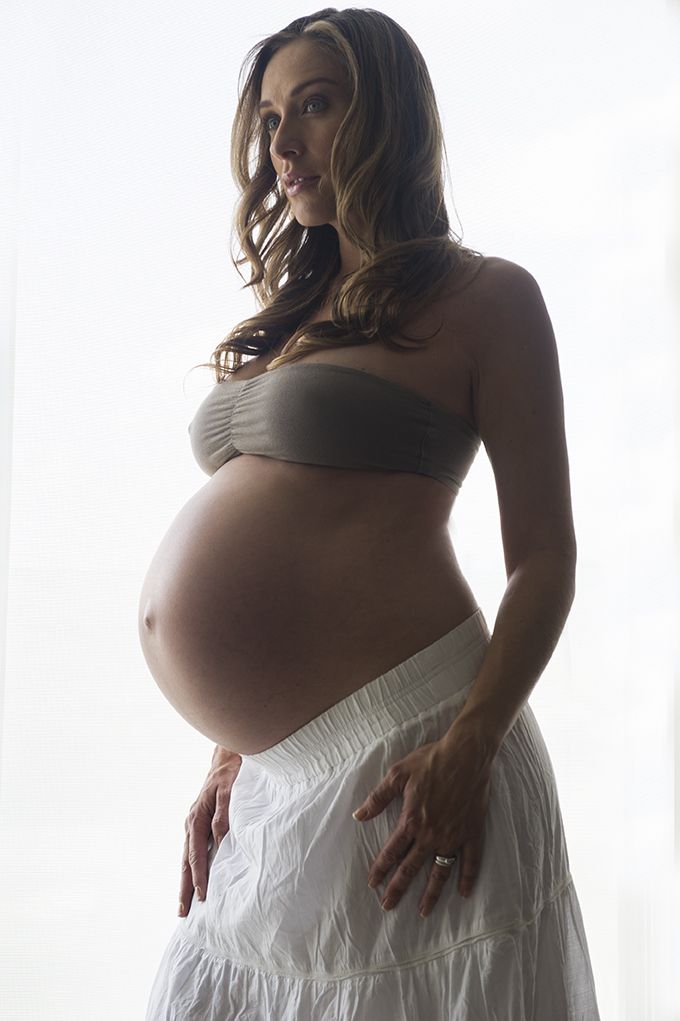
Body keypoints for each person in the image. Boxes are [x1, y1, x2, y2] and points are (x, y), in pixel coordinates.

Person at [141, 7, 601, 1019]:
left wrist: (470, 744)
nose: (283, 144)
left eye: (315, 105)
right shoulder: (291, 315)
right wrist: (232, 743)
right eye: (270, 118)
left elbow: (545, 560)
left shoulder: (485, 299)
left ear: (387, 118)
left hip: (416, 754)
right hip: (276, 782)